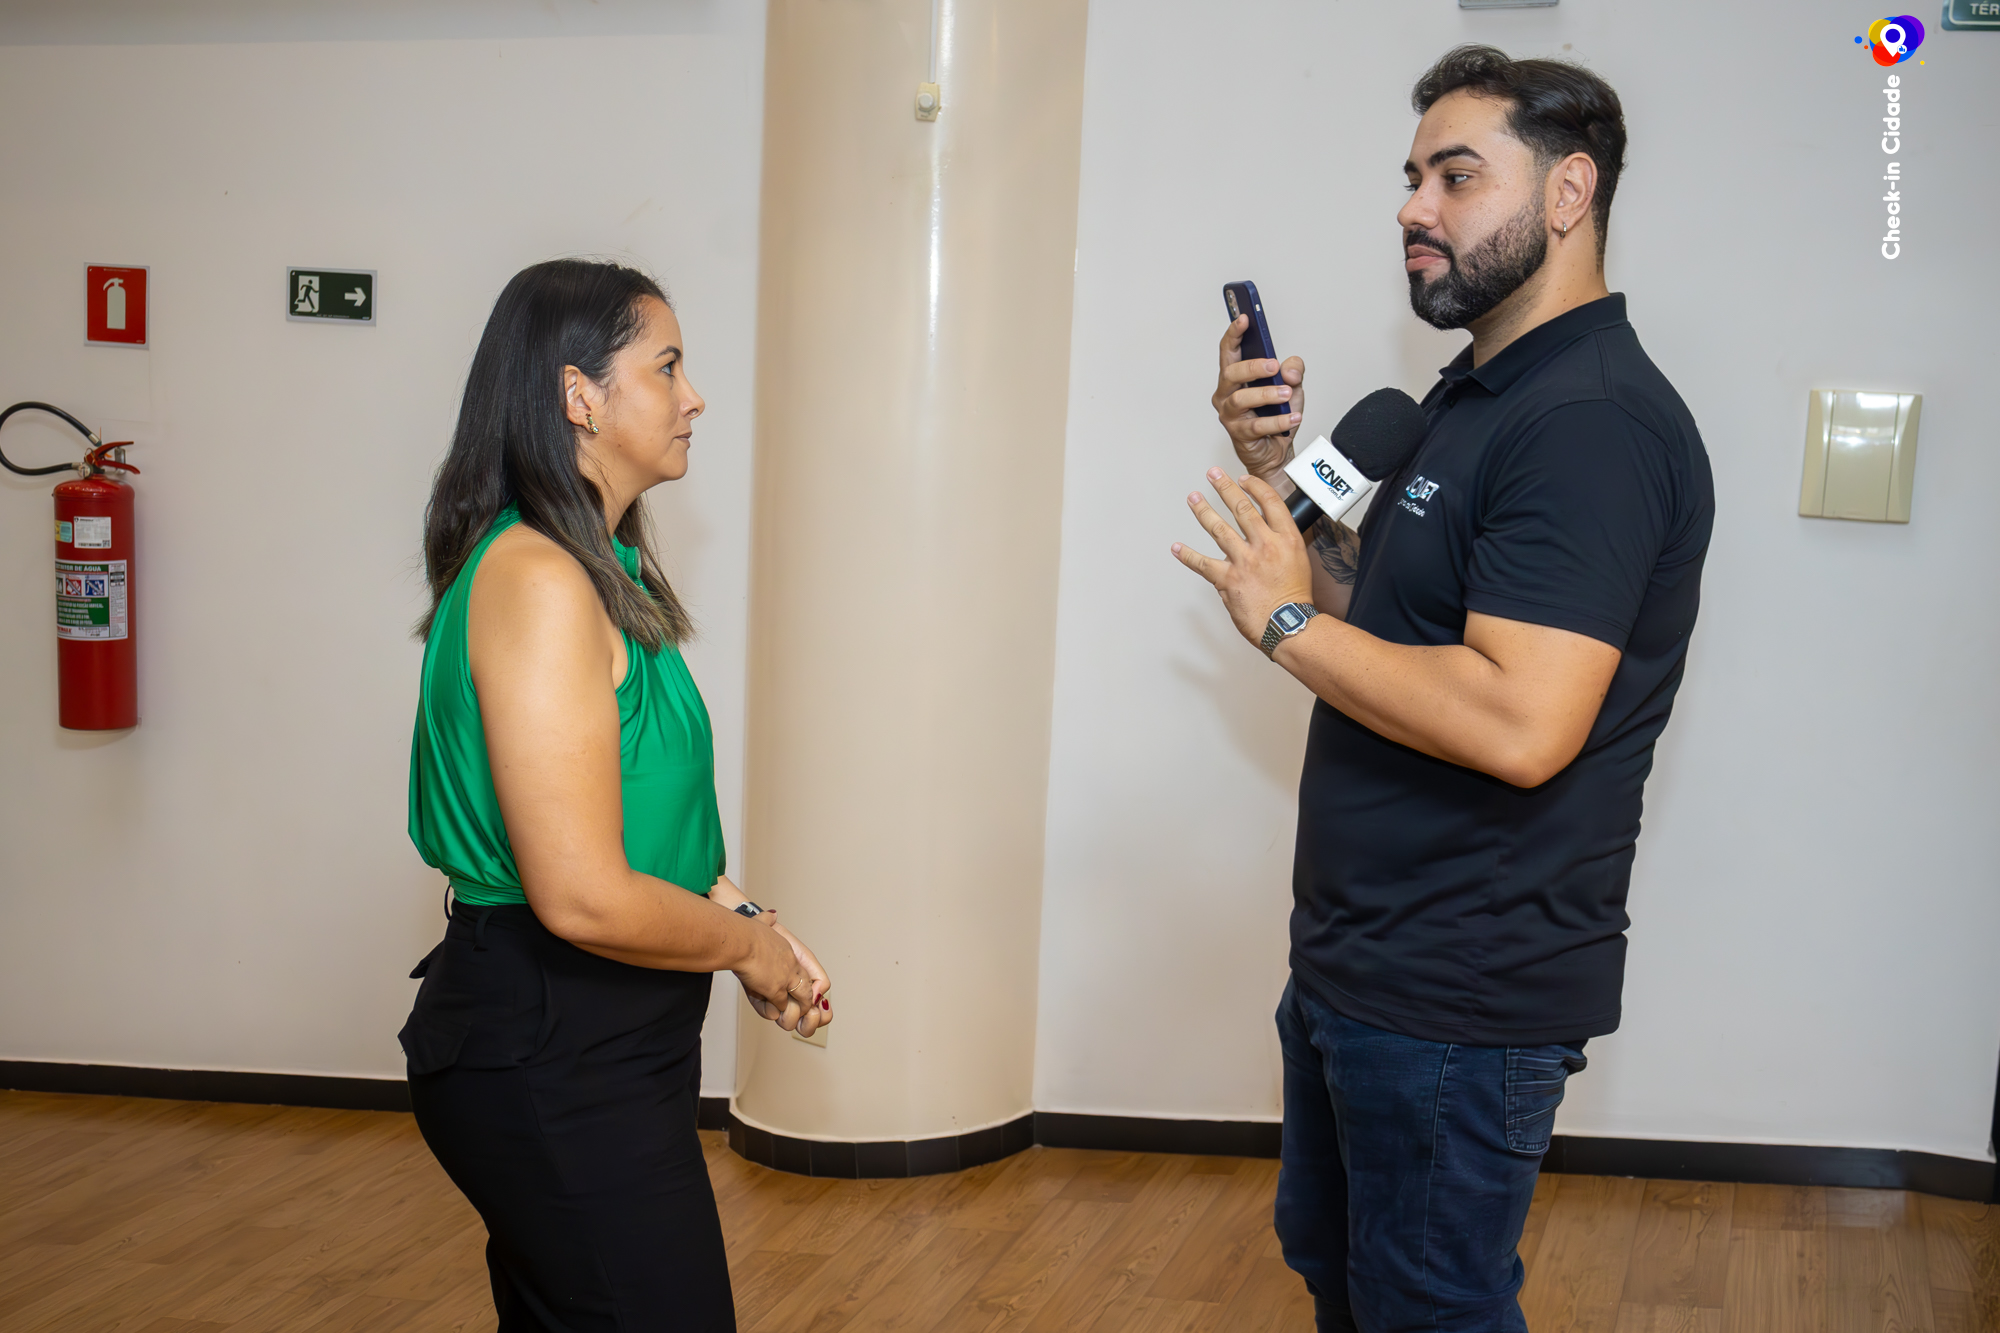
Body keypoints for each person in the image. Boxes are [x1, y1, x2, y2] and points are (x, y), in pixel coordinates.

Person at [1174, 46, 1714, 1333]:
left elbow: (1520, 722)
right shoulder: (1464, 397)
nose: (1413, 208)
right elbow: (1389, 624)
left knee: (1425, 1307)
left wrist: (1282, 621)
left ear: (1569, 192)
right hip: (1359, 966)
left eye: (1455, 177)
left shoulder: (1587, 422)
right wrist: (1279, 480)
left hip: (1456, 993)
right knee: (1345, 1277)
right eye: (1412, 177)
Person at [398, 258, 831, 1333]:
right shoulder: (540, 581)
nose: (694, 397)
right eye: (667, 367)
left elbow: (631, 819)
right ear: (579, 395)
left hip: (596, 1041)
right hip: (552, 1045)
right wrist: (746, 950)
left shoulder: (600, 567)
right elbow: (583, 895)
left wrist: (743, 914)